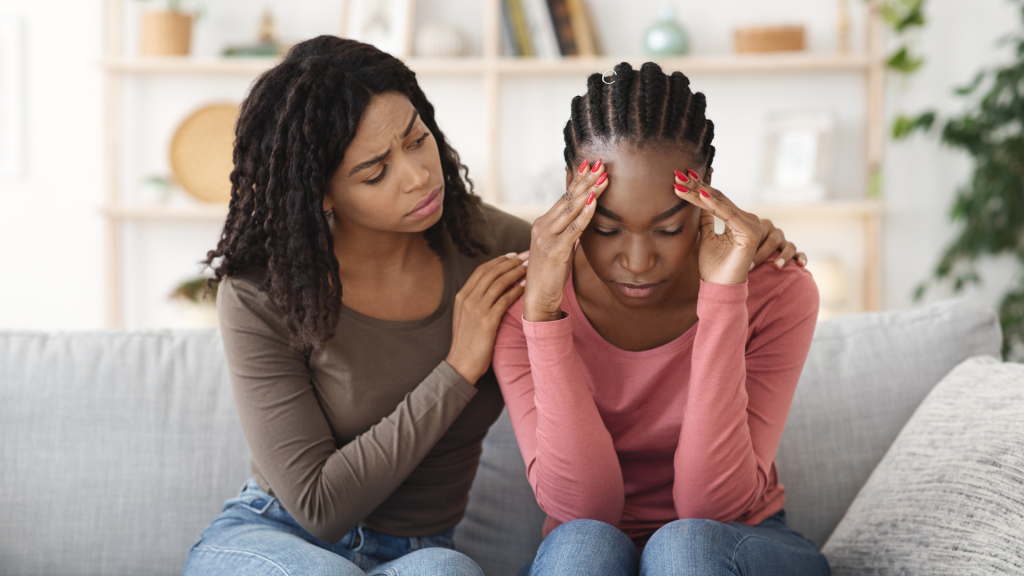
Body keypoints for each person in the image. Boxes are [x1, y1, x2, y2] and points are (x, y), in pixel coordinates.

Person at [183, 37, 807, 576]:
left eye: (417, 140)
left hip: (421, 553)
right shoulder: (261, 292)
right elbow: (317, 506)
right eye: (375, 171)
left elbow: (622, 227)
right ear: (320, 194)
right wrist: (457, 370)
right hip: (282, 536)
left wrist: (750, 257)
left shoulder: (501, 249)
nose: (418, 176)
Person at [493, 62, 829, 576]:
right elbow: (585, 509)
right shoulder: (522, 301)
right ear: (571, 190)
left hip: (740, 542)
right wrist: (543, 316)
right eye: (606, 229)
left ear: (703, 190)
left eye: (668, 229)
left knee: (683, 550)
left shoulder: (777, 291)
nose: (637, 262)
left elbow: (709, 507)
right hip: (588, 548)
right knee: (582, 547)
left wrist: (723, 297)